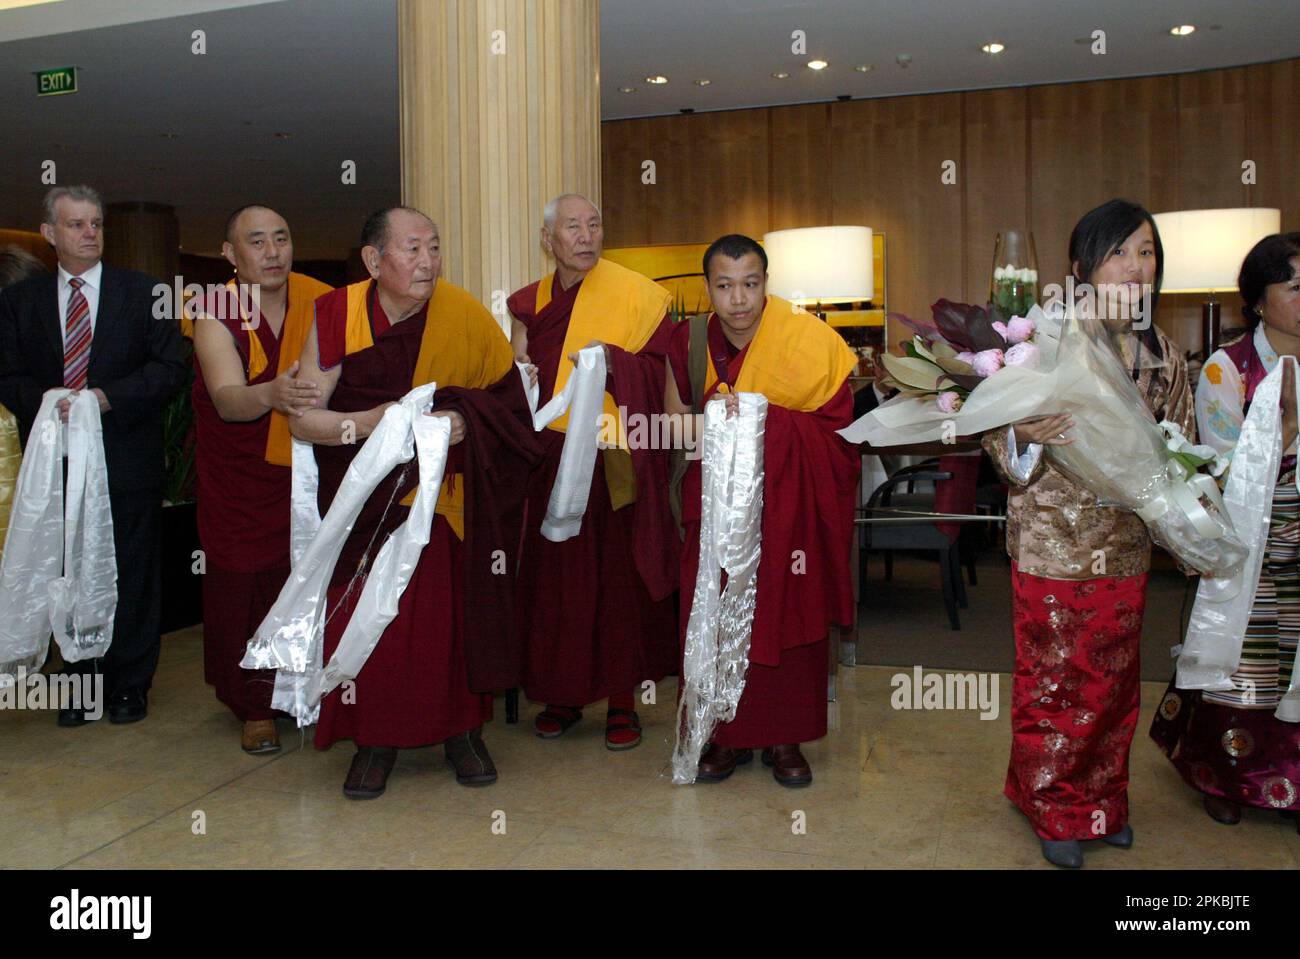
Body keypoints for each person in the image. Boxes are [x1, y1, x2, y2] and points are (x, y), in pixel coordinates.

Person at [292, 206, 538, 798]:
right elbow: (305, 421)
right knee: (371, 619)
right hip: (364, 501)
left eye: (434, 247)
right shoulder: (335, 312)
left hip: (443, 500)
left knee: (447, 620)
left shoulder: (465, 316)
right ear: (374, 261)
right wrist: (374, 424)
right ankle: (374, 740)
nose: (428, 261)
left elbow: (508, 410)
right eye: (412, 249)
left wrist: (461, 420)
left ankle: (462, 732)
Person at [982, 198, 1194, 867]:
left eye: (1148, 251)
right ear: (1083, 267)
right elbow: (997, 439)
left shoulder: (1166, 355)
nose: (1137, 266)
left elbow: (1181, 447)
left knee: (1114, 681)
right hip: (1053, 542)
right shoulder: (1046, 341)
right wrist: (1020, 433)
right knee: (1054, 682)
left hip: (1127, 546)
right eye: (1119, 252)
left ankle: (1104, 800)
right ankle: (1050, 802)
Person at [665, 234, 859, 785]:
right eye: (725, 286)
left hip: (787, 510)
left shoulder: (808, 341)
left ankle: (785, 738)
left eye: (750, 284)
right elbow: (670, 427)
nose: (739, 299)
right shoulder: (688, 341)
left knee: (787, 611)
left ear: (766, 283)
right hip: (715, 512)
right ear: (707, 289)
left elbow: (841, 438)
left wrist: (767, 421)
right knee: (717, 619)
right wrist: (715, 421)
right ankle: (723, 737)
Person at [0, 185, 188, 725]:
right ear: (49, 234)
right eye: (77, 225)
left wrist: (106, 399)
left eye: (96, 224)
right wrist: (46, 403)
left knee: (129, 571)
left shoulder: (142, 292)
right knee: (68, 573)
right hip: (54, 466)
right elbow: (8, 374)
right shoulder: (20, 303)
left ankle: (129, 683)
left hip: (125, 458)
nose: (89, 234)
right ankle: (80, 681)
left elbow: (169, 368)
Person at [507, 194, 680, 750]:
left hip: (611, 458)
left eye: (594, 225)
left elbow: (660, 373)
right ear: (547, 239)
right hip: (549, 457)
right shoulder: (530, 301)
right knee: (556, 582)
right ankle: (563, 693)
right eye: (572, 227)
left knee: (615, 581)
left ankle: (623, 702)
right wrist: (524, 377)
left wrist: (614, 364)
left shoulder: (637, 296)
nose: (585, 236)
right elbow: (518, 375)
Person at [1151, 231, 1300, 832]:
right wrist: (1286, 425)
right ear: (1259, 299)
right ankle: (1224, 776)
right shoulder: (1227, 368)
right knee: (1245, 660)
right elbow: (1222, 469)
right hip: (1252, 540)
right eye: (1295, 286)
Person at [189, 205, 331, 754]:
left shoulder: (321, 300)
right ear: (230, 254)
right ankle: (255, 706)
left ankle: (307, 689)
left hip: (310, 467)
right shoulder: (214, 310)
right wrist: (271, 393)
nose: (272, 252)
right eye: (256, 242)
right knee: (246, 585)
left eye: (281, 238)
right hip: (241, 480)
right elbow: (227, 401)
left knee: (306, 578)